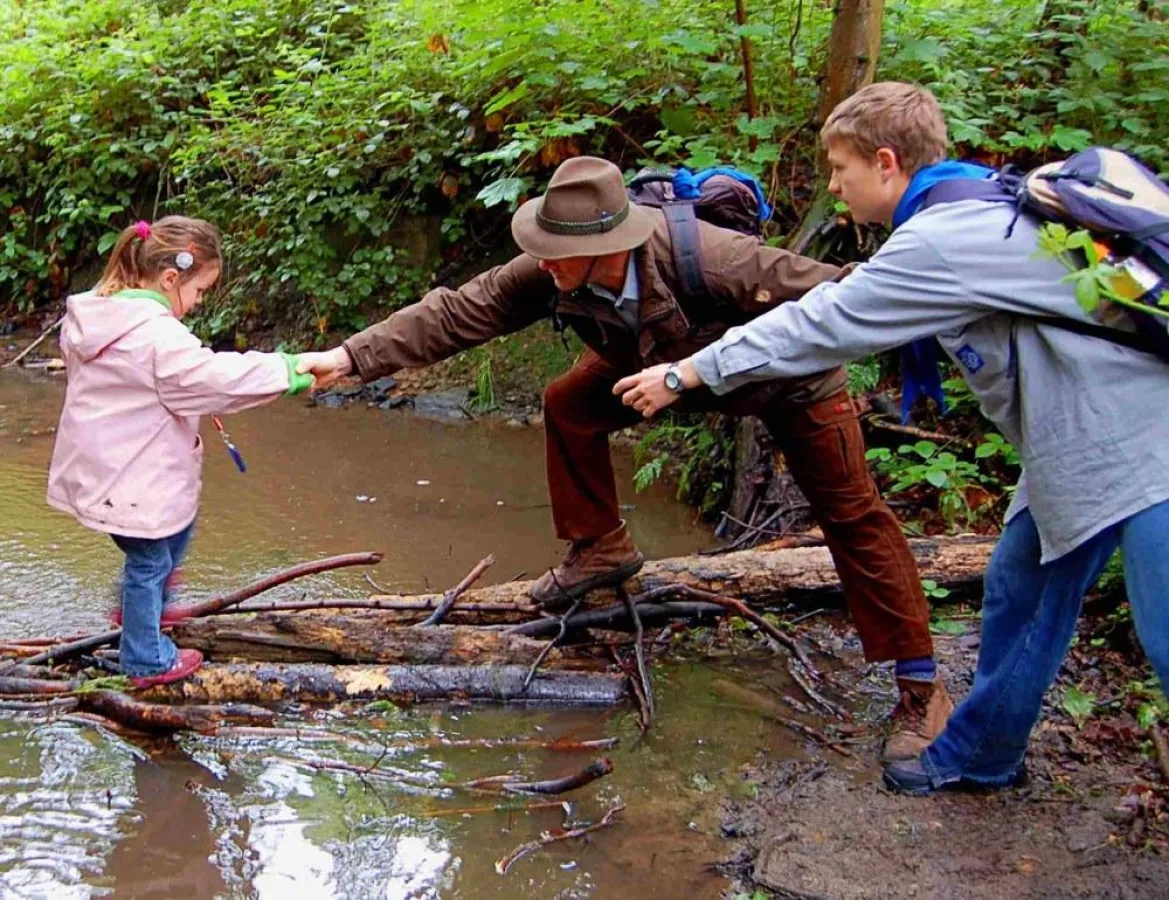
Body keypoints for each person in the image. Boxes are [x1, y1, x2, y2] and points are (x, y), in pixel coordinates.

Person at [296, 155, 951, 761]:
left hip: (790, 385)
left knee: (852, 515)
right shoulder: (546, 273)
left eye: (558, 254)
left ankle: (920, 688)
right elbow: (460, 311)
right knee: (569, 403)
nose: (542, 263)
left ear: (608, 248)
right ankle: (600, 548)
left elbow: (849, 296)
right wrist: (353, 357)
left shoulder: (718, 260)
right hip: (654, 377)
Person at [613, 82, 1169, 796]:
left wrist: (689, 371)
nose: (834, 188)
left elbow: (823, 322)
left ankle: (977, 752)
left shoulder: (943, 239)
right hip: (1082, 437)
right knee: (1017, 587)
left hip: (1141, 445)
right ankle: (982, 754)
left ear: (883, 162)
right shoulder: (979, 200)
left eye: (840, 171)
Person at [46, 217, 316, 688]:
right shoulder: (157, 337)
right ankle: (146, 660)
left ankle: (134, 610)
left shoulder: (97, 317)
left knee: (170, 535)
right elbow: (215, 378)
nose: (198, 302)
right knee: (150, 561)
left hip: (107, 472)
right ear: (171, 279)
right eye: (200, 291)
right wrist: (288, 370)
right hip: (134, 482)